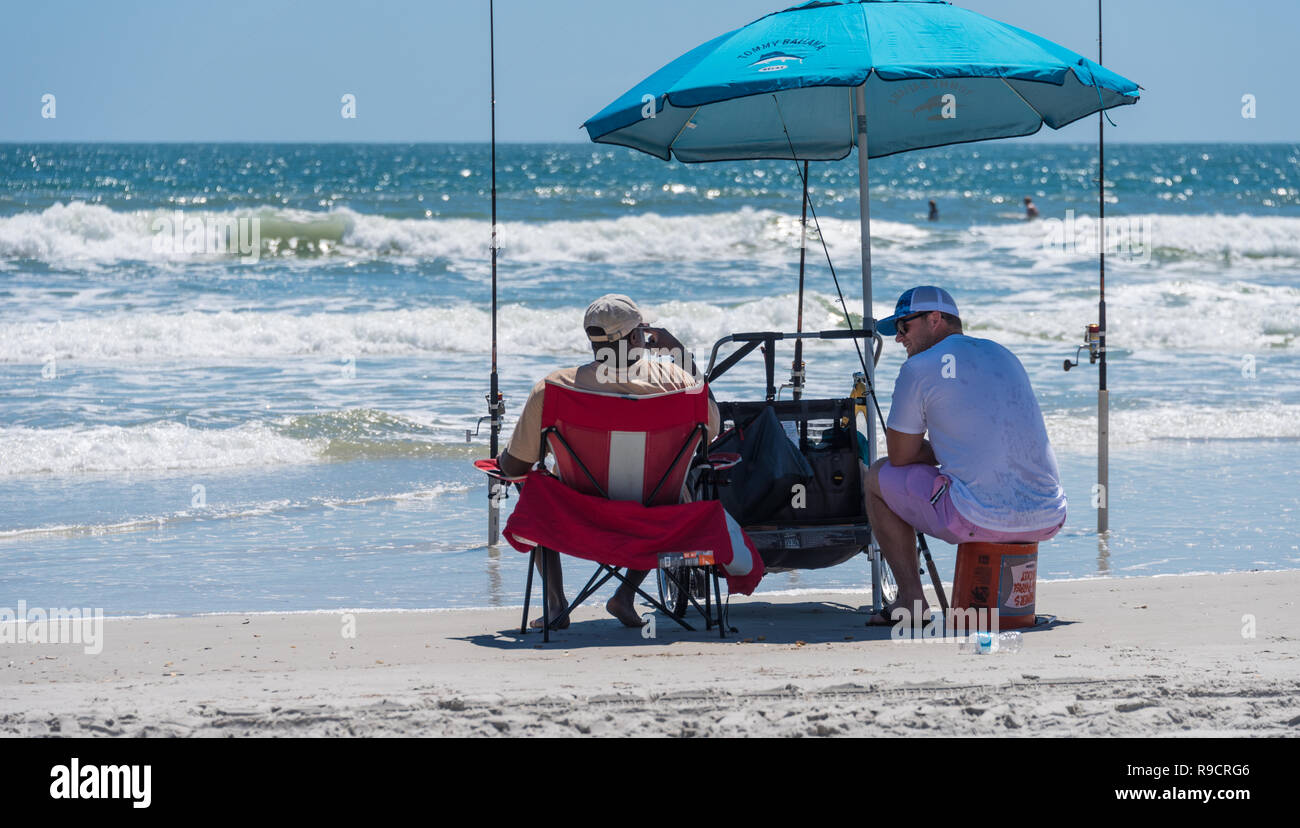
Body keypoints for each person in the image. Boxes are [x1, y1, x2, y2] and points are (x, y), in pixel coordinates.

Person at [498, 294, 720, 630]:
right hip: (656, 519)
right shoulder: (680, 384)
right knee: (669, 483)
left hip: (578, 518)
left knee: (537, 486)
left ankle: (557, 604)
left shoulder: (554, 389)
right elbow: (713, 430)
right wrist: (680, 354)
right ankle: (625, 595)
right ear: (634, 338)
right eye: (642, 333)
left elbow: (514, 468)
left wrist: (502, 458)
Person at [863, 286, 1066, 625]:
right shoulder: (1004, 354)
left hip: (978, 519)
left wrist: (940, 450)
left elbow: (900, 456)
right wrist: (956, 449)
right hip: (1048, 514)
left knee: (876, 477)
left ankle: (911, 601)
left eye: (904, 327)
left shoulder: (919, 368)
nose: (899, 339)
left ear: (935, 319)